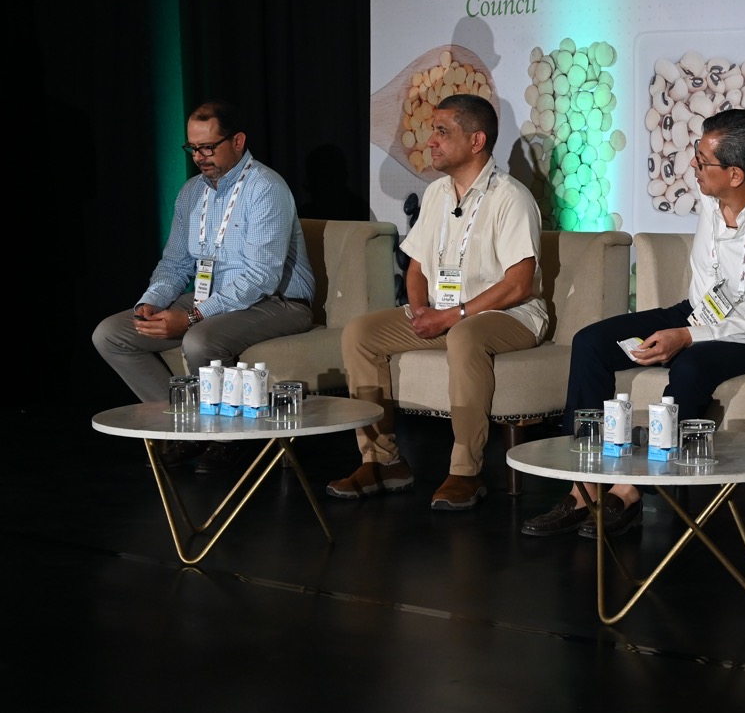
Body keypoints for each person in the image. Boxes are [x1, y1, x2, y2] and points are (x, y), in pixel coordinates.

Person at [523, 109, 745, 539]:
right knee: (592, 342)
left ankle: (630, 493)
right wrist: (688, 328)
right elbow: (704, 291)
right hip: (702, 313)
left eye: (702, 161)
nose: (692, 165)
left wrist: (687, 338)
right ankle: (583, 486)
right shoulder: (711, 195)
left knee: (692, 366)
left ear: (735, 175)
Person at [327, 93, 547, 512]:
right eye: (433, 132)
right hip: (449, 313)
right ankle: (382, 461)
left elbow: (519, 285)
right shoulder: (436, 194)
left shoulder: (510, 197)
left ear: (477, 140)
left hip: (510, 315)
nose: (431, 141)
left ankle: (466, 471)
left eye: (442, 132)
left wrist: (453, 315)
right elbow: (417, 268)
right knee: (360, 333)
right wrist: (420, 310)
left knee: (465, 335)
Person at [92, 101, 316, 408]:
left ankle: (227, 432)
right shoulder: (191, 192)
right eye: (193, 148)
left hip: (277, 301)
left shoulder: (265, 188)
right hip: (213, 296)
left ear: (237, 141)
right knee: (110, 334)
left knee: (199, 340)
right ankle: (181, 419)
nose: (198, 157)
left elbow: (262, 276)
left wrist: (192, 317)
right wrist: (151, 301)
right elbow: (174, 263)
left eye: (208, 147)